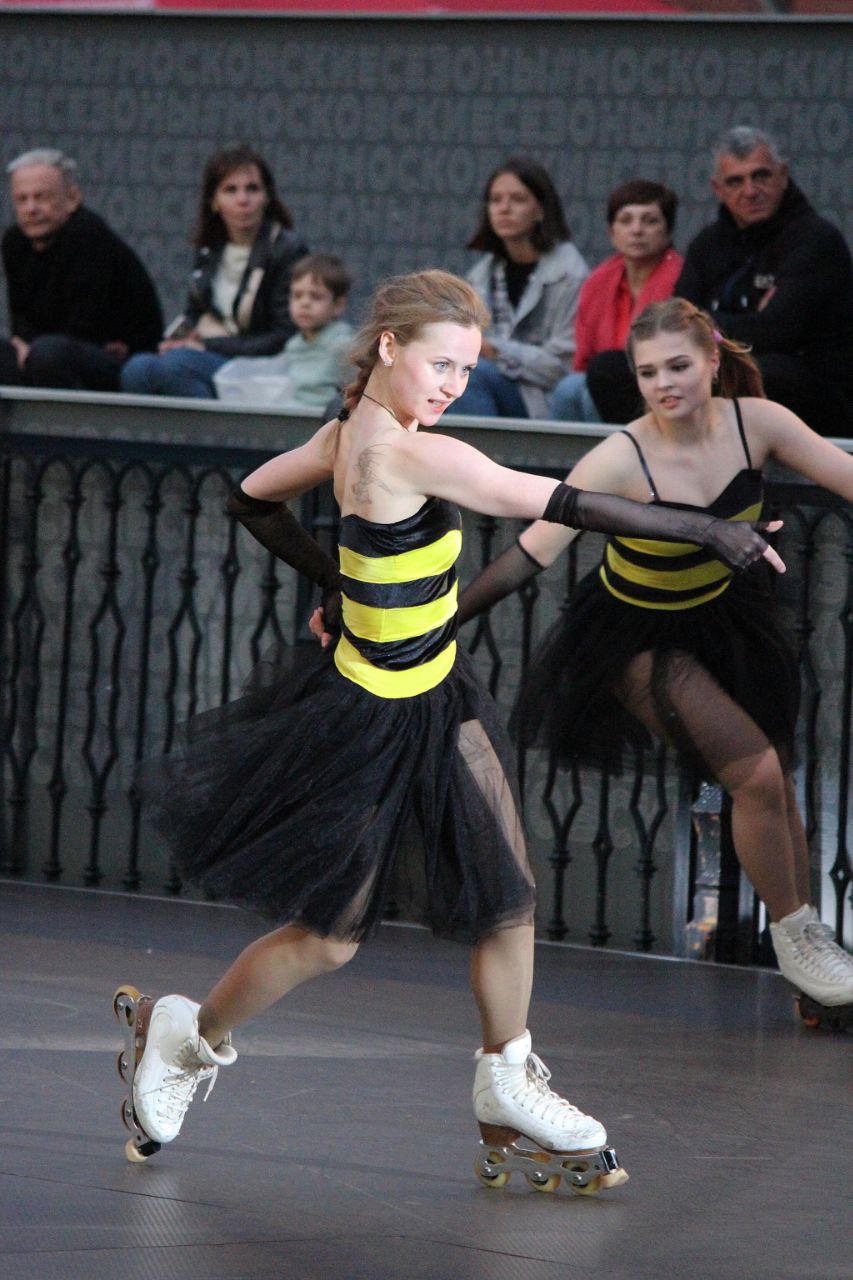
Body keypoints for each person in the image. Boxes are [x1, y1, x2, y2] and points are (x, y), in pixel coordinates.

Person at [119, 272, 780, 1181]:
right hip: (371, 715)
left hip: (437, 695)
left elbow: (250, 499)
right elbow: (558, 502)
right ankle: (185, 1038)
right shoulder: (404, 453)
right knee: (331, 938)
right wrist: (705, 532)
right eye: (441, 365)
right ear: (389, 346)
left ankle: (505, 1076)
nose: (453, 386)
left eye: (467, 369)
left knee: (508, 897)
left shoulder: (342, 435)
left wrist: (338, 583)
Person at [458, 296, 853, 1020]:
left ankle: (811, 968)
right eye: (647, 373)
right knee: (757, 774)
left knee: (777, 783)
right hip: (635, 637)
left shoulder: (757, 423)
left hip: (726, 622)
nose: (663, 384)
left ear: (712, 360)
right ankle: (800, 942)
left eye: (678, 366)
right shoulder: (619, 456)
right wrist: (435, 619)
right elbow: (528, 555)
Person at [676, 126, 853, 437]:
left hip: (814, 395)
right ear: (717, 189)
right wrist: (749, 322)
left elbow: (775, 333)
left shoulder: (816, 240)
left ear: (782, 176)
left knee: (763, 370)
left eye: (761, 176)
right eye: (735, 181)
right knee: (613, 370)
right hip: (721, 372)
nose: (750, 191)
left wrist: (704, 322)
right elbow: (677, 321)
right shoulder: (706, 245)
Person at [120, 146, 308, 399]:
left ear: (267, 197)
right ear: (214, 201)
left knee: (176, 365)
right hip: (211, 353)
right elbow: (196, 310)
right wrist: (178, 338)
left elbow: (284, 335)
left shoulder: (287, 250)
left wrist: (205, 345)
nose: (243, 199)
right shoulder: (210, 247)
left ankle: (212, 426)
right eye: (230, 190)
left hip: (259, 364)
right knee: (136, 368)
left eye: (252, 189)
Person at [0, 149, 162, 391]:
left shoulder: (88, 234)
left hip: (118, 358)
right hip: (48, 348)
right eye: (22, 199)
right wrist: (22, 346)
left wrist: (30, 348)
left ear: (72, 198)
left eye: (41, 197)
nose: (31, 208)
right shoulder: (15, 242)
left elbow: (85, 326)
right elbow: (21, 318)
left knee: (48, 354)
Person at [452, 157, 588, 420]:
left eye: (517, 199)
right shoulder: (480, 276)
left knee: (470, 374)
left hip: (545, 401)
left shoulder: (570, 274)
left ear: (541, 209)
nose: (504, 208)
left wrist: (495, 351)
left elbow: (563, 365)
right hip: (492, 388)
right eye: (495, 200)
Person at [550, 179, 682, 424]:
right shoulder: (597, 281)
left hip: (660, 390)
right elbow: (583, 360)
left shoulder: (682, 279)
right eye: (626, 220)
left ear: (668, 231)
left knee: (588, 391)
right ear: (611, 233)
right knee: (569, 388)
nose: (637, 230)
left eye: (650, 221)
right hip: (599, 382)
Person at [213, 253, 353, 411]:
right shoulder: (293, 345)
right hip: (291, 415)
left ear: (338, 305)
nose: (304, 303)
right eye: (297, 296)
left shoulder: (344, 346)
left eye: (315, 297)